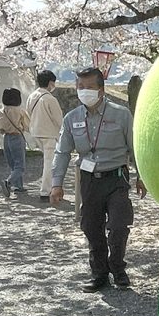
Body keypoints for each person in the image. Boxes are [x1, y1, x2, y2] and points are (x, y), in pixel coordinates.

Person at [50, 67, 146, 291]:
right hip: (89, 180)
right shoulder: (71, 118)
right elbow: (62, 152)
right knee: (91, 227)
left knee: (119, 225)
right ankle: (99, 273)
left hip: (116, 178)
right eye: (80, 87)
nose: (84, 91)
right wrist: (56, 184)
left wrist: (141, 177)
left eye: (90, 87)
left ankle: (118, 267)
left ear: (101, 90)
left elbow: (135, 148)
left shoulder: (121, 114)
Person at [26, 69, 64, 201]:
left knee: (48, 162)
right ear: (50, 83)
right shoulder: (49, 98)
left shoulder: (32, 96)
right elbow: (59, 119)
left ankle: (49, 189)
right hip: (49, 134)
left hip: (36, 132)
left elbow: (28, 114)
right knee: (50, 164)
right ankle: (45, 191)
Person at [0, 88, 31, 196]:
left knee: (13, 164)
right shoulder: (19, 111)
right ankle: (8, 182)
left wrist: (2, 130)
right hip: (17, 137)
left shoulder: (1, 111)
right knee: (20, 166)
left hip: (6, 138)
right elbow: (28, 126)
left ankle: (19, 187)